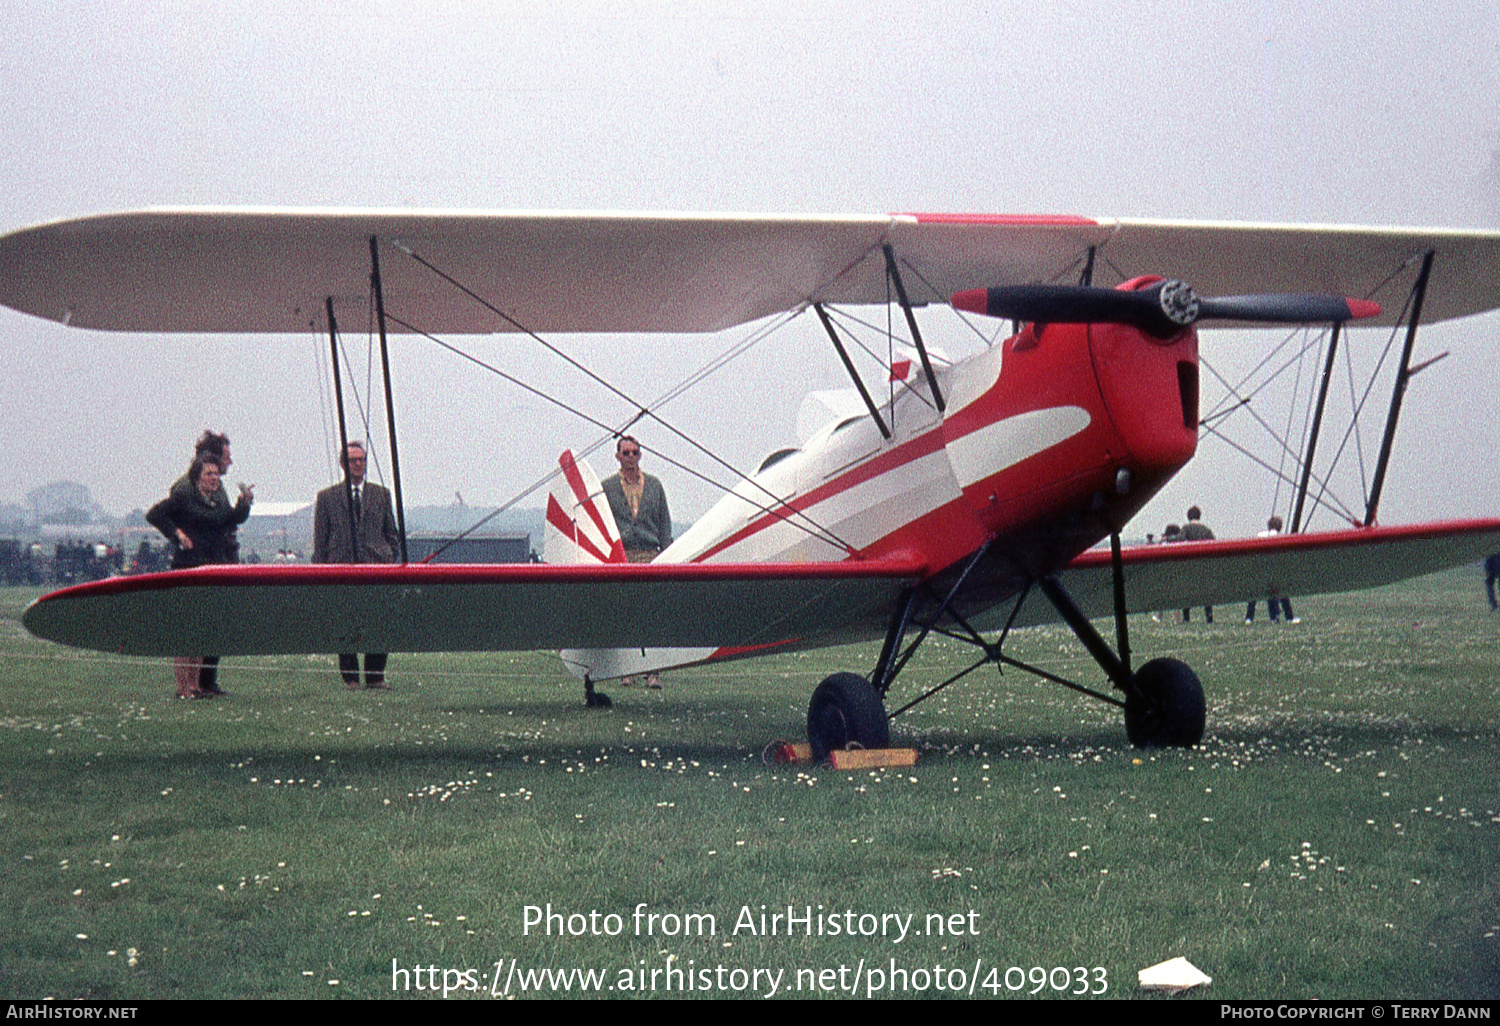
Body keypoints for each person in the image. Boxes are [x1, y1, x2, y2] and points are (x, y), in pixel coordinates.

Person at [146, 451, 253, 698]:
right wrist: (177, 534)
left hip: (212, 569)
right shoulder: (183, 498)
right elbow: (155, 514)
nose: (214, 478)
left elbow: (231, 519)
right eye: (208, 474)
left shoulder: (218, 500)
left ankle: (195, 686)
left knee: (202, 629)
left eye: (216, 473)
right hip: (188, 568)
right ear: (197, 478)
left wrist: (244, 502)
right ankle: (183, 688)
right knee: (185, 630)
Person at [313, 442, 399, 689]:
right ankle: (350, 677)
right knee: (345, 623)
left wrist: (387, 557)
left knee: (379, 622)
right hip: (341, 569)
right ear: (343, 464)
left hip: (376, 568)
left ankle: (375, 676)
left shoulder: (381, 494)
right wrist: (321, 571)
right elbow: (321, 540)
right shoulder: (327, 498)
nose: (358, 464)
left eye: (362, 459)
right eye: (353, 460)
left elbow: (391, 532)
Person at [601, 436, 672, 687]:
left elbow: (664, 524)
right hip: (621, 557)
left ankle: (653, 672)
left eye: (634, 453)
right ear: (617, 456)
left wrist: (667, 557)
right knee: (623, 613)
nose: (630, 457)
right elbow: (602, 525)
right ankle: (626, 671)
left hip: (650, 556)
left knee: (652, 615)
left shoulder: (655, 485)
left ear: (640, 455)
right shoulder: (606, 487)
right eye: (626, 453)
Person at [1246, 516, 1299, 623]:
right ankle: (1286, 617)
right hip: (1275, 569)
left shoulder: (1259, 535)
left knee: (1254, 594)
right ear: (1279, 527)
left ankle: (1249, 618)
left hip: (1260, 568)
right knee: (1281, 593)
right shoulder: (1282, 537)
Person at [1179, 506, 1214, 623]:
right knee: (1205, 590)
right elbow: (1214, 543)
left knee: (1187, 590)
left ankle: (1186, 617)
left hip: (1190, 563)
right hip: (1203, 564)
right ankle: (1209, 614)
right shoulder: (1206, 530)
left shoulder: (1186, 528)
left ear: (1188, 516)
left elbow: (1179, 539)